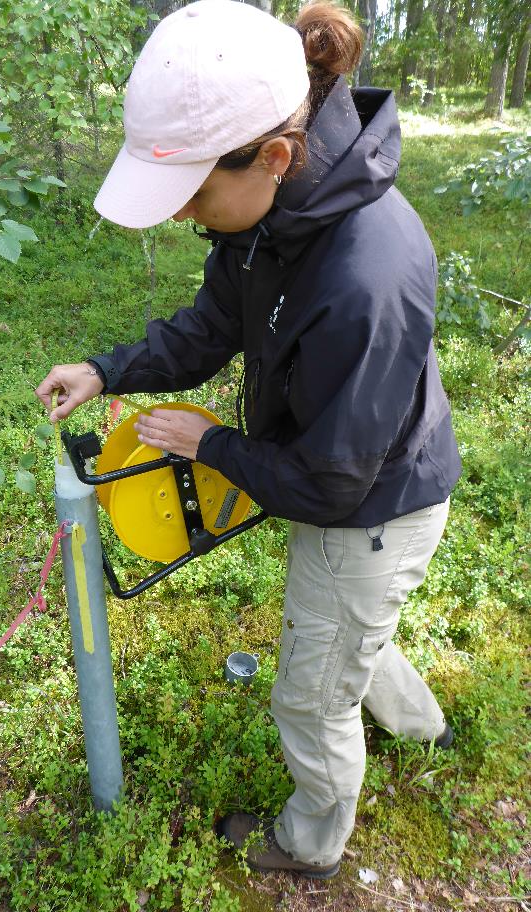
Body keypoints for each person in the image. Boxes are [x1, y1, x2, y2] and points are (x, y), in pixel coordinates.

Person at [35, 0, 462, 879]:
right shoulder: (274, 208)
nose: (190, 214)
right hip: (341, 476)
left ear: (273, 156)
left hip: (371, 505)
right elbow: (211, 326)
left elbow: (330, 487)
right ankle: (425, 728)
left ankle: (311, 845)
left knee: (310, 692)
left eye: (195, 193)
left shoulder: (365, 278)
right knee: (350, 630)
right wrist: (106, 370)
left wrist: (213, 445)